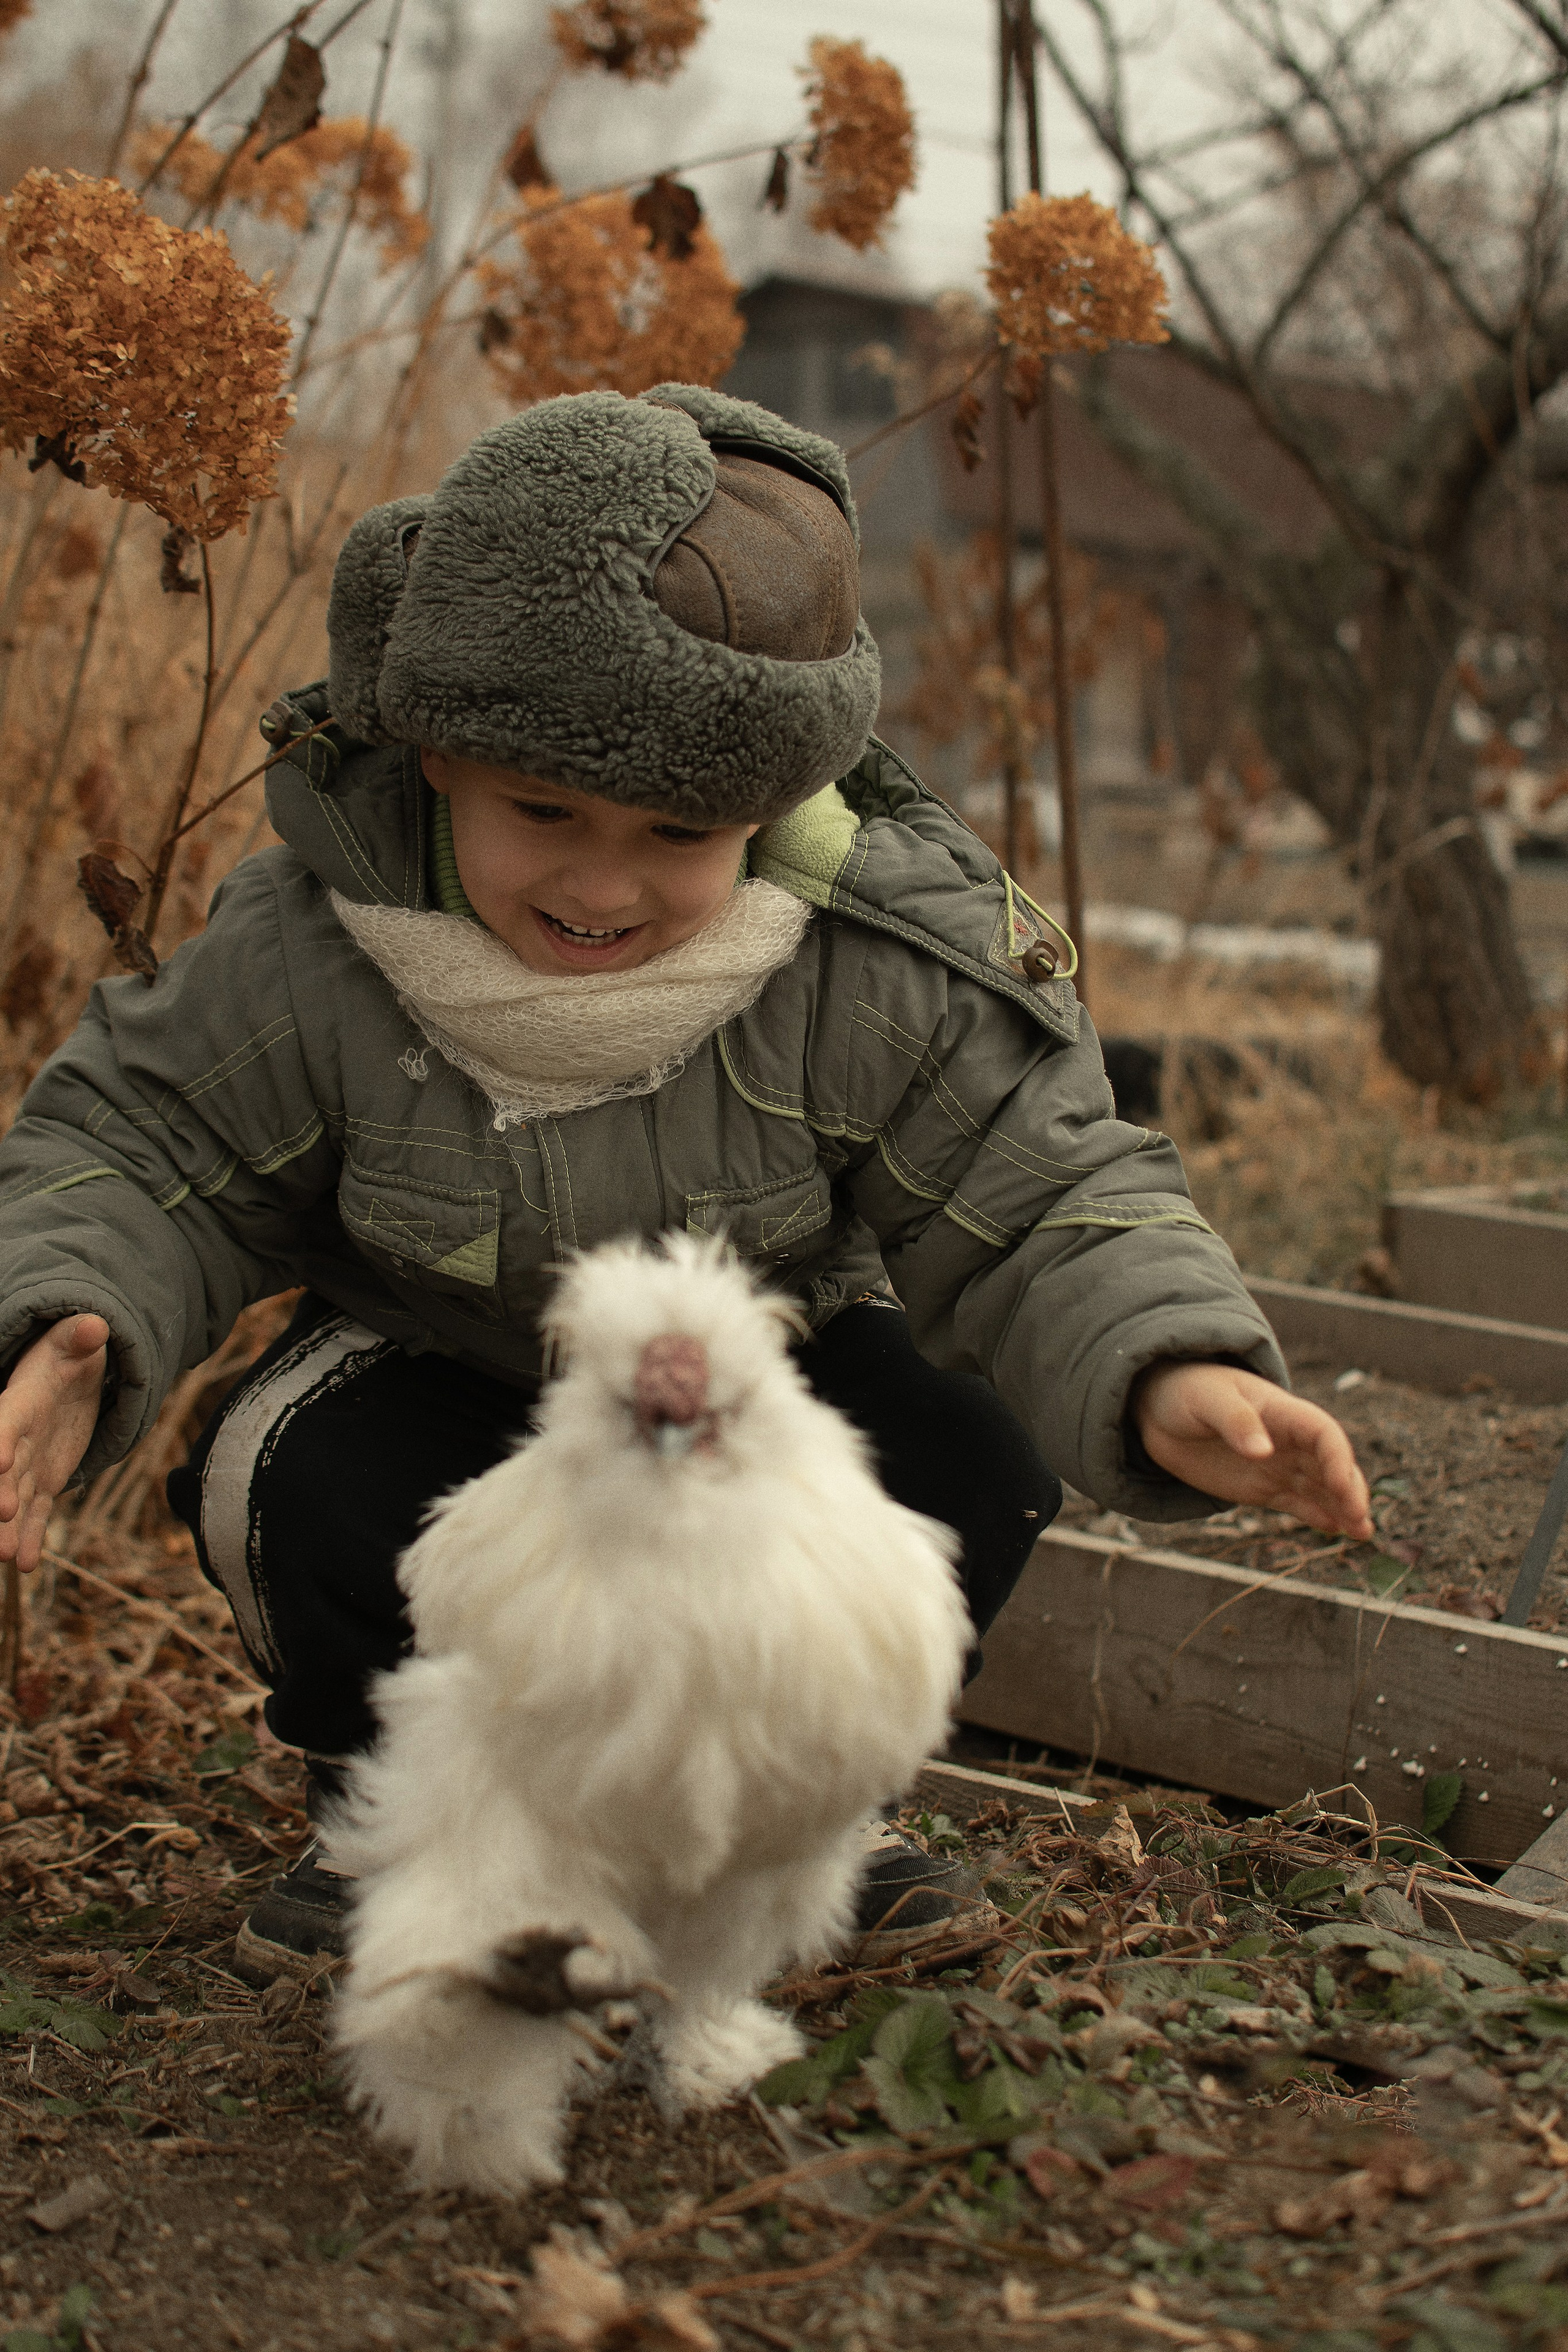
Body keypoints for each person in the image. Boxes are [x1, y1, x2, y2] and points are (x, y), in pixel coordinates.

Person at [0, 385, 1371, 1983]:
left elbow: (1043, 1183)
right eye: (545, 813)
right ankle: (408, 1819)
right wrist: (61, 1318)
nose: (601, 883)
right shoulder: (321, 940)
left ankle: (788, 1826)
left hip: (765, 1366)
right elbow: (150, 1141)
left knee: (963, 1444)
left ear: (777, 800)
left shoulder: (874, 953)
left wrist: (1168, 1358)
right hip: (447, 1357)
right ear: (441, 758)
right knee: (295, 1471)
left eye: (677, 832)